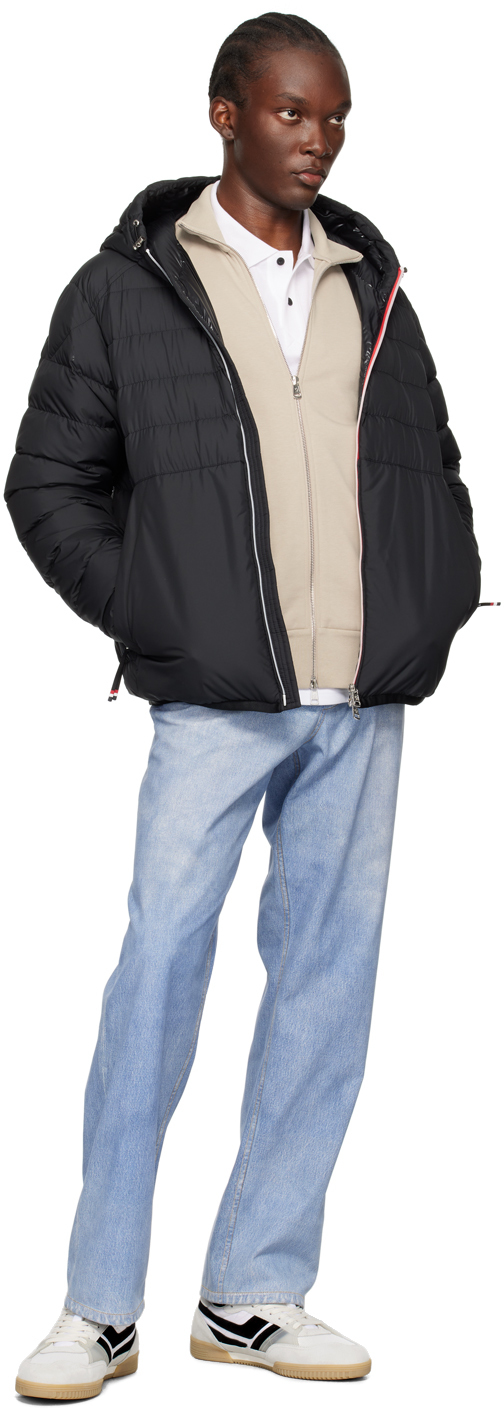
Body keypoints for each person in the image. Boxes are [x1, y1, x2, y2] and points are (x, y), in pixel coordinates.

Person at [6, 11, 480, 1398]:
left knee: (327, 993)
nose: (317, 140)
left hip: (361, 698)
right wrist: (162, 610)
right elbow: (48, 485)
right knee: (158, 975)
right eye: (290, 112)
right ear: (224, 112)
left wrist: (433, 599)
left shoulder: (370, 284)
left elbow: (432, 467)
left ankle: (255, 1290)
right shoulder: (127, 286)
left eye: (334, 118)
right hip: (213, 701)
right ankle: (99, 1306)